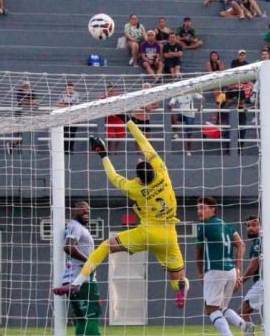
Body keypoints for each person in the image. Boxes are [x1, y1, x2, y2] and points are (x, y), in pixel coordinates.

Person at [53, 124, 190, 309]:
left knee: (104, 247)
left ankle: (77, 283)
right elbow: (145, 144)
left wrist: (103, 155)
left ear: (140, 178)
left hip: (146, 233)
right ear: (153, 169)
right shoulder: (163, 173)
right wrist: (131, 123)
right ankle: (182, 288)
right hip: (169, 237)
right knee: (178, 279)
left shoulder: (135, 189)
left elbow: (113, 176)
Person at [196, 196, 258, 336]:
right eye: (198, 208)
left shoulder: (203, 226)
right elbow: (241, 244)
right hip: (231, 271)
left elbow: (199, 253)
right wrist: (238, 269)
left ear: (213, 209)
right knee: (222, 307)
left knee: (211, 309)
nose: (199, 211)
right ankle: (245, 325)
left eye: (203, 208)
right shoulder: (228, 226)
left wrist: (200, 273)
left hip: (215, 270)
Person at [59, 201, 107, 336]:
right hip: (83, 280)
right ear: (74, 211)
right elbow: (68, 247)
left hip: (72, 280)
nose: (87, 212)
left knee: (80, 320)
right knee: (92, 317)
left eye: (88, 210)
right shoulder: (76, 227)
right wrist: (89, 262)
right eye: (83, 210)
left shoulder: (74, 227)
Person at [238, 215, 264, 336]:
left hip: (263, 282)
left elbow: (253, 267)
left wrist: (240, 281)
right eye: (248, 226)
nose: (251, 228)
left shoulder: (258, 243)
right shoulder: (259, 242)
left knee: (244, 310)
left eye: (254, 225)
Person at [55, 82, 82, 152]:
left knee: (72, 134)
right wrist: (69, 106)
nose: (70, 89)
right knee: (65, 133)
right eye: (68, 87)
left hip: (74, 117)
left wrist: (67, 106)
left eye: (71, 87)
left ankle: (71, 149)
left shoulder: (77, 95)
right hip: (65, 117)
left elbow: (79, 106)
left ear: (73, 88)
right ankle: (65, 149)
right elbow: (57, 104)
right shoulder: (62, 95)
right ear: (66, 88)